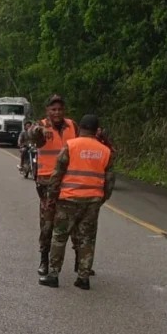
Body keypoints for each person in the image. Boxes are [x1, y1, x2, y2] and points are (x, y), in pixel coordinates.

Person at [39, 114, 115, 290]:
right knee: (86, 239)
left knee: (59, 237)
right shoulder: (105, 151)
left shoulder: (71, 145)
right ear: (97, 131)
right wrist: (101, 199)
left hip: (68, 199)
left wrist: (52, 198)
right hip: (92, 201)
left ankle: (53, 275)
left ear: (80, 128)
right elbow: (109, 181)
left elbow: (57, 174)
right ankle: (83, 278)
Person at [27, 94, 80, 276]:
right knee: (47, 223)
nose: (57, 112)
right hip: (47, 183)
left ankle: (81, 262)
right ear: (47, 111)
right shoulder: (41, 126)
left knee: (74, 222)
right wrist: (40, 132)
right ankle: (44, 260)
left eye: (59, 109)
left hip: (69, 181)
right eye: (53, 109)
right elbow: (31, 134)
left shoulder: (72, 126)